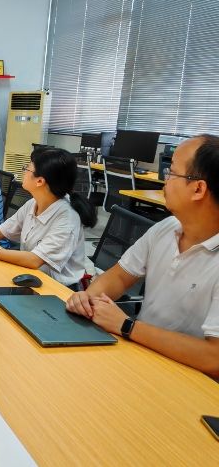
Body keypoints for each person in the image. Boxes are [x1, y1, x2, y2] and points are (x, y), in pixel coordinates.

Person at [66, 135, 219, 377]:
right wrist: (88, 299)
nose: (165, 180)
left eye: (171, 172)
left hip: (187, 377)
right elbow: (119, 277)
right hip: (142, 353)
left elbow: (214, 358)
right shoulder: (167, 227)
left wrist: (127, 326)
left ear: (198, 189)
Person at [0, 147, 97, 290]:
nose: (23, 172)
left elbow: (34, 260)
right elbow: (0, 231)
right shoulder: (33, 203)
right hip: (30, 276)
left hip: (59, 289)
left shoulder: (67, 218)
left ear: (40, 181)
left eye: (27, 169)